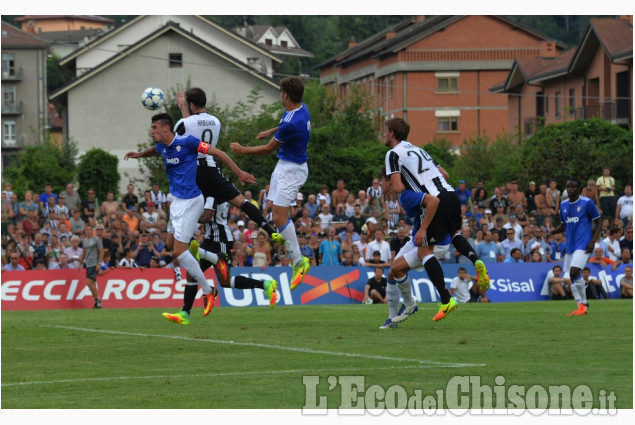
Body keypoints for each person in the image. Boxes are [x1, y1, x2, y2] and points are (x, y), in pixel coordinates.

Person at [125, 113, 256, 319]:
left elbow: (218, 152)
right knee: (170, 244)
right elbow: (154, 150)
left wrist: (238, 172)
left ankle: (208, 290)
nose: (152, 131)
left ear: (166, 128)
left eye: (154, 128)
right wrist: (140, 155)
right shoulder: (162, 147)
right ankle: (214, 257)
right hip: (176, 202)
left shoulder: (188, 142)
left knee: (179, 251)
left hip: (193, 201)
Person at [383, 117, 489, 321]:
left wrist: (412, 195)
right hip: (451, 195)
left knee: (424, 251)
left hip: (434, 200)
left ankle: (445, 299)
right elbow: (445, 174)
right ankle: (475, 259)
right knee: (454, 233)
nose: (383, 134)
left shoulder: (392, 154)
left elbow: (396, 187)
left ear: (392, 133)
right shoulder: (419, 150)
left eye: (385, 131)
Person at [230, 77, 311, 290]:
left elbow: (267, 149)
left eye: (280, 92)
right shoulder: (299, 110)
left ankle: (299, 262)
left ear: (285, 95)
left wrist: (242, 149)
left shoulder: (291, 122)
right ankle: (297, 258)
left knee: (279, 216)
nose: (280, 96)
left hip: (292, 170)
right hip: (284, 166)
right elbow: (285, 126)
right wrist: (271, 131)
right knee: (275, 214)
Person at [550, 178, 603, 315]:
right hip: (570, 246)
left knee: (574, 272)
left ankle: (584, 303)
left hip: (583, 244)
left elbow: (599, 221)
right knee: (569, 277)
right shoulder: (563, 204)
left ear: (579, 188)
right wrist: (552, 232)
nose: (570, 189)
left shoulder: (587, 203)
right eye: (568, 187)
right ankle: (581, 306)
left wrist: (593, 241)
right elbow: (564, 225)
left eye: (573, 187)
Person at [77, 223, 104, 308]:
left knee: (89, 282)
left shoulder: (96, 240)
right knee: (92, 283)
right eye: (86, 230)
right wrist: (80, 263)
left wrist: (99, 263)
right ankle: (97, 302)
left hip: (94, 263)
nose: (88, 231)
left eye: (89, 229)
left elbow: (101, 251)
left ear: (92, 230)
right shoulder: (84, 240)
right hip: (88, 264)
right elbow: (84, 252)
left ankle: (97, 300)